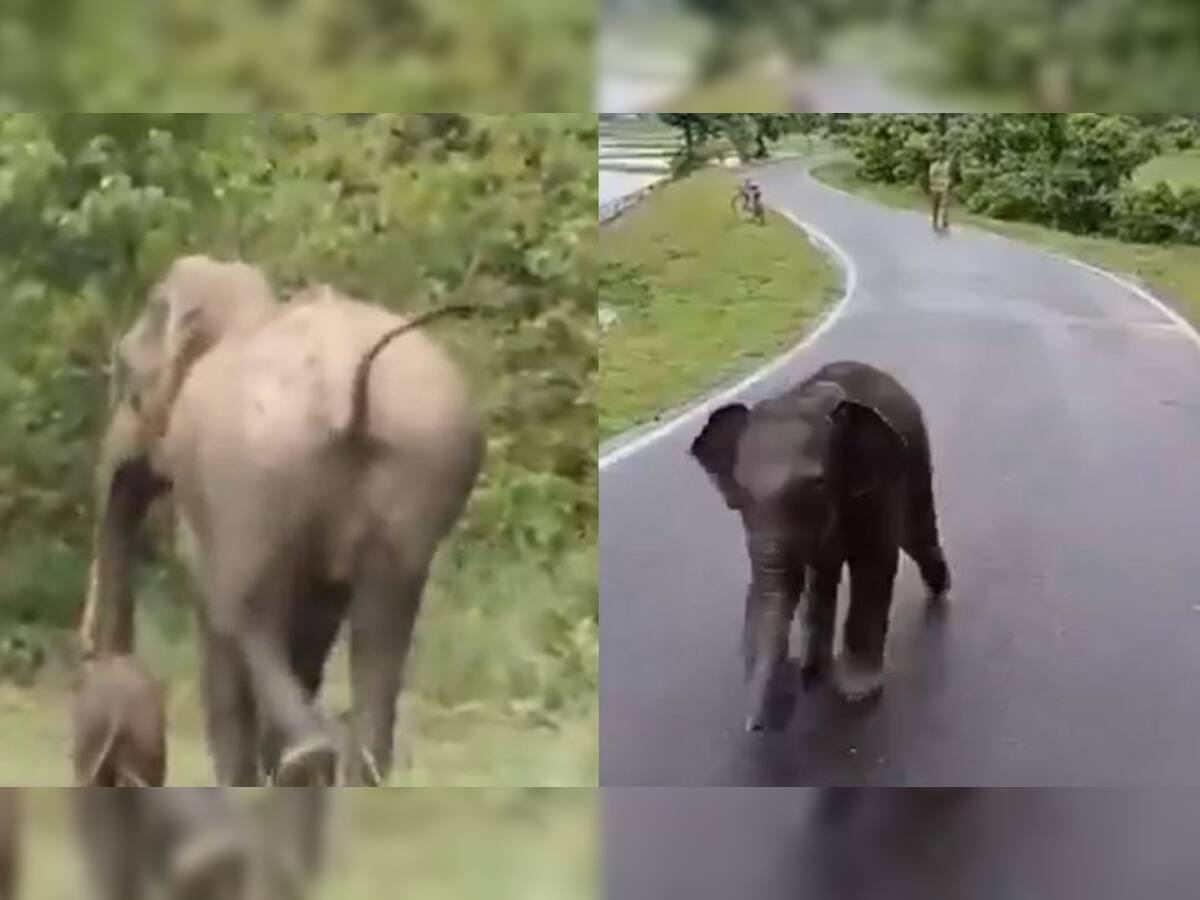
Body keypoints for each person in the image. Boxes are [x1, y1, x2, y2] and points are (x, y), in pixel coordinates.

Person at [928, 153, 953, 233]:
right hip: (935, 188)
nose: (941, 159)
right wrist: (935, 182)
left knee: (944, 205)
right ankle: (934, 221)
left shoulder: (946, 165)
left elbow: (948, 175)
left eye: (942, 157)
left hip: (943, 188)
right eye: (940, 157)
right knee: (935, 206)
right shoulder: (934, 166)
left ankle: (944, 221)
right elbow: (931, 176)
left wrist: (948, 182)